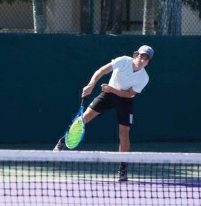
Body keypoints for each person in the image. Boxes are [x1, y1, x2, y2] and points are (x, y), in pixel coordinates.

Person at [53, 45, 154, 181]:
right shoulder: (123, 61)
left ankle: (122, 169)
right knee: (84, 118)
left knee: (124, 132)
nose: (142, 60)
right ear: (136, 55)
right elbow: (101, 71)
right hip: (107, 95)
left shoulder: (144, 78)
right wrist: (91, 85)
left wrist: (111, 89)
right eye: (141, 56)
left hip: (124, 100)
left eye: (146, 59)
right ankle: (63, 142)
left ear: (148, 62)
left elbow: (129, 94)